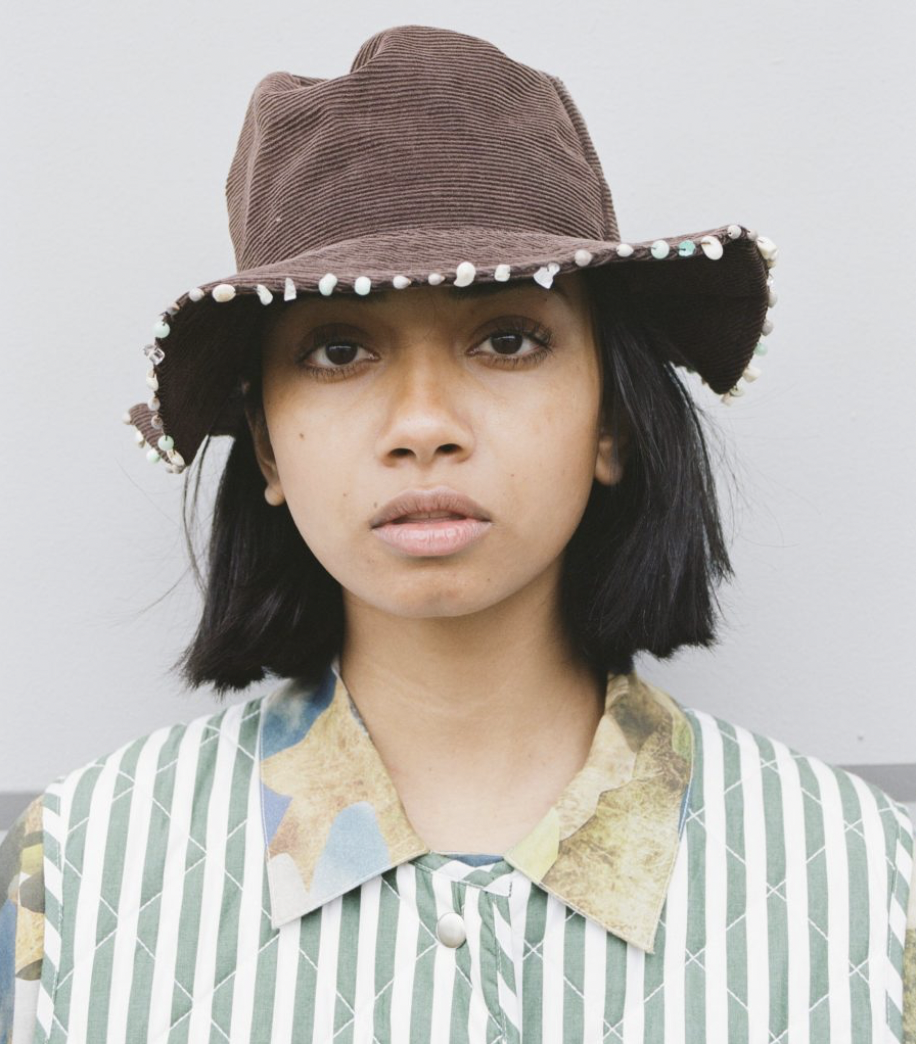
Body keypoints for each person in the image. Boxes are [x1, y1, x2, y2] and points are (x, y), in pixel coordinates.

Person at [1, 23, 912, 1044]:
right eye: (338, 350)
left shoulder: (866, 881)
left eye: (508, 339)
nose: (424, 424)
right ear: (265, 446)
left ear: (611, 420)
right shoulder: (78, 873)